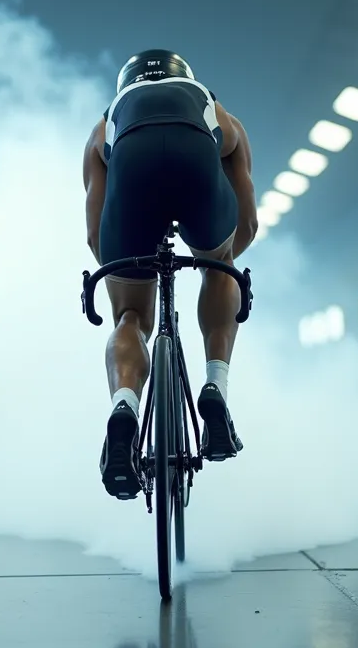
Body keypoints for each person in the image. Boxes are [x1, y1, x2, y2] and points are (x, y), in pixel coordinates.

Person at [81, 49, 259, 500]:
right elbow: (249, 223)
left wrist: (132, 285)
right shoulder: (218, 111)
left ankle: (124, 409)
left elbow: (95, 239)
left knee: (131, 318)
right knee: (221, 269)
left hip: (131, 170)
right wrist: (214, 262)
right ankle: (215, 390)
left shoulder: (104, 126)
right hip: (197, 161)